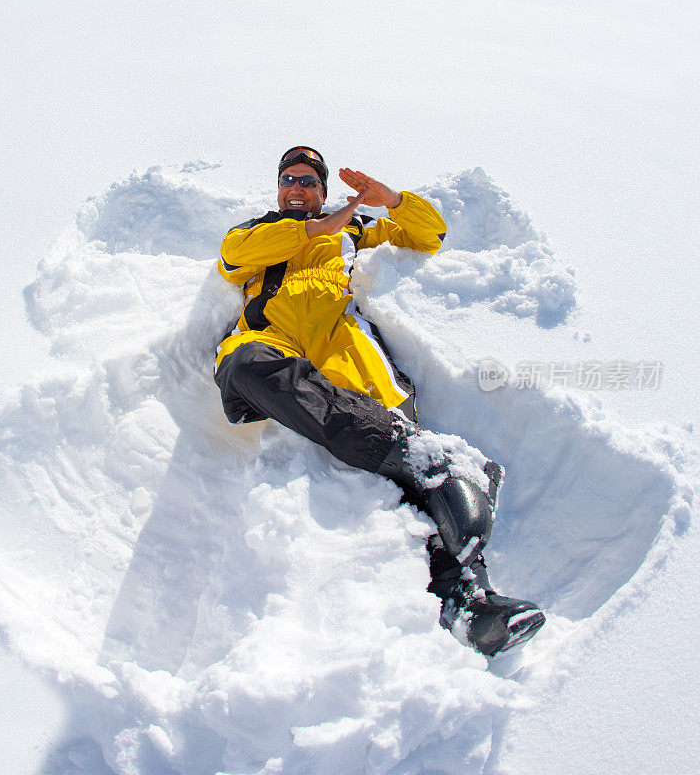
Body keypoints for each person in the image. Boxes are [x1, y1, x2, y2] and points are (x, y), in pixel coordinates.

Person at [214, 146, 545, 656]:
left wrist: (392, 201)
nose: (296, 187)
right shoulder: (256, 232)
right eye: (288, 179)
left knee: (397, 436)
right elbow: (232, 259)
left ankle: (469, 598)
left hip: (340, 342)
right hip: (271, 338)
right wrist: (312, 231)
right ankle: (420, 456)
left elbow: (428, 235)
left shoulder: (355, 228)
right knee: (243, 365)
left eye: (307, 181)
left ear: (324, 191)